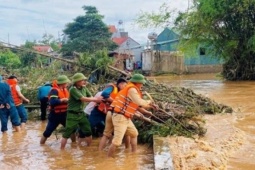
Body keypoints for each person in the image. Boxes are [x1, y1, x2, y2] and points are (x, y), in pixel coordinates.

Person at [107, 74, 158, 157]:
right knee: (117, 142)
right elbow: (139, 102)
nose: (142, 85)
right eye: (141, 83)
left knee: (134, 134)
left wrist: (150, 105)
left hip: (125, 117)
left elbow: (138, 105)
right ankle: (108, 160)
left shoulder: (131, 89)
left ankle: (134, 154)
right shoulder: (132, 89)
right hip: (120, 117)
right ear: (137, 82)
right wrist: (149, 102)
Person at [60, 73, 103, 149]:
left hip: (81, 114)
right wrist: (96, 100)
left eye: (84, 80)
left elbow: (90, 96)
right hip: (72, 114)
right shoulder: (73, 89)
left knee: (88, 131)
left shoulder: (84, 88)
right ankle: (62, 150)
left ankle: (89, 148)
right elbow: (83, 98)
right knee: (67, 133)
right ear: (77, 81)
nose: (84, 81)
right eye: (82, 80)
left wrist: (95, 101)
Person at [40, 75, 74, 144]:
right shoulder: (54, 90)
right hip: (55, 115)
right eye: (66, 82)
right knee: (48, 132)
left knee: (71, 130)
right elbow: (52, 102)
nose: (67, 84)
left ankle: (74, 145)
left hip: (65, 114)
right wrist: (62, 100)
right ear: (62, 83)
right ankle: (41, 145)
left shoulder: (65, 90)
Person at [97, 78, 128, 151]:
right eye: (125, 85)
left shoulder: (121, 91)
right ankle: (128, 151)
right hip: (112, 113)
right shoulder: (112, 87)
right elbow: (104, 94)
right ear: (120, 84)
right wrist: (115, 102)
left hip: (110, 112)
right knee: (124, 133)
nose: (125, 87)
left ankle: (100, 151)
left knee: (107, 134)